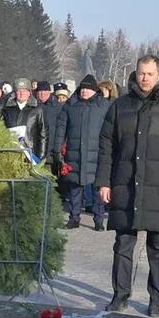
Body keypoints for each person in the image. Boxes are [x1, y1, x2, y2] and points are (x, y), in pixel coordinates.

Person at [95, 55, 159, 317]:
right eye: (141, 73)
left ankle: (156, 298)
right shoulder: (120, 106)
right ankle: (120, 295)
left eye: (150, 73)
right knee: (123, 243)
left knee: (158, 245)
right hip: (125, 184)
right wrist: (103, 181)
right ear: (135, 74)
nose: (145, 78)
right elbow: (106, 146)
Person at [52, 75, 110, 231]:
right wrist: (57, 150)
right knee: (74, 188)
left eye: (88, 89)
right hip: (74, 153)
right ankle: (74, 217)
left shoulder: (103, 106)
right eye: (83, 88)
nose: (85, 91)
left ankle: (99, 220)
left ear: (94, 90)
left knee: (97, 189)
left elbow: (111, 130)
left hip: (96, 153)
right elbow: (60, 129)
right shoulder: (70, 105)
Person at [1, 78, 45, 159]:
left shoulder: (37, 109)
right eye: (19, 91)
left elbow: (43, 134)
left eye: (24, 91)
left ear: (29, 93)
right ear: (15, 93)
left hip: (30, 154)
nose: (21, 93)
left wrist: (41, 156)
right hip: (11, 153)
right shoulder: (7, 109)